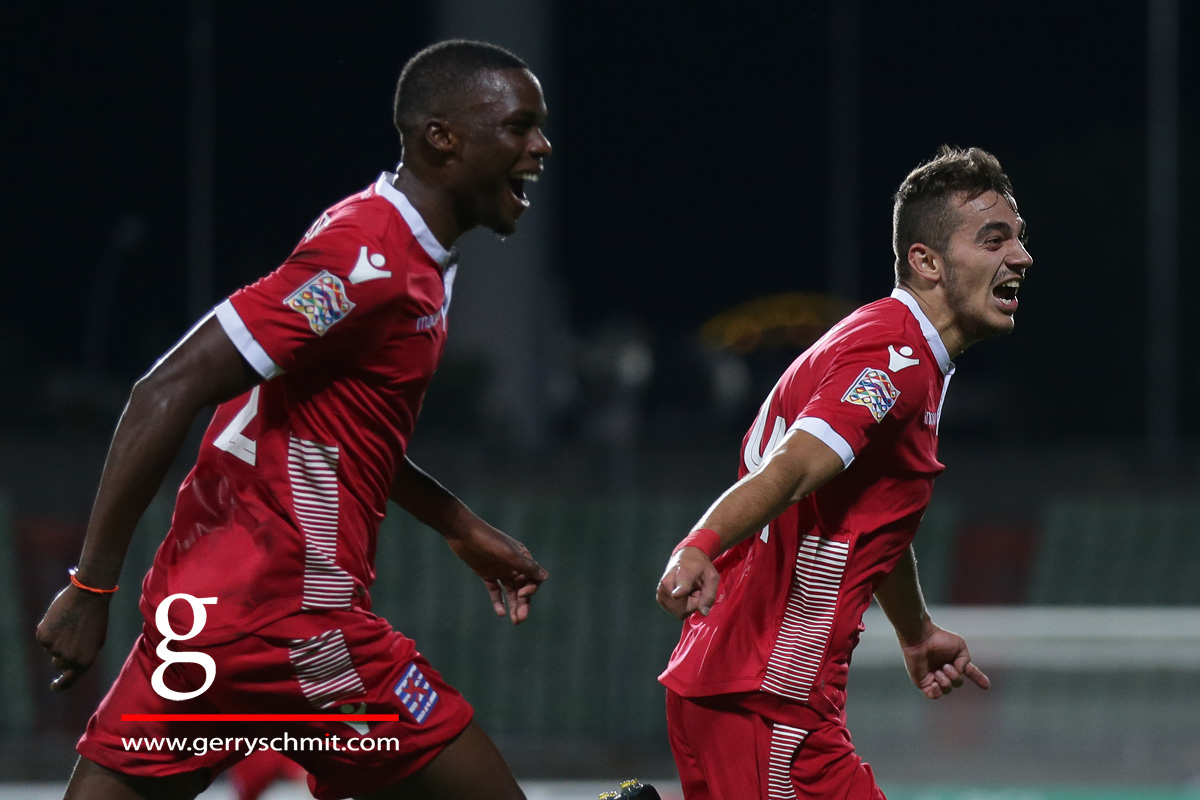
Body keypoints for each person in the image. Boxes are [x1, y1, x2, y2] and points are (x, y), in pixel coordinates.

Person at [36, 39, 552, 800]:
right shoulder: (369, 258)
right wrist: (90, 587)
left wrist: (460, 525)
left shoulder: (392, 242)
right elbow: (165, 389)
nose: (540, 145)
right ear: (443, 137)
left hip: (201, 620)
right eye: (519, 126)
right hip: (293, 621)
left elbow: (342, 431)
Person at [656, 146, 1032, 799]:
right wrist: (700, 544)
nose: (1021, 258)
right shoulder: (894, 357)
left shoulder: (897, 349)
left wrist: (915, 632)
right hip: (765, 695)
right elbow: (795, 467)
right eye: (995, 240)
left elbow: (863, 518)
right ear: (926, 261)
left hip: (756, 691)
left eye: (1020, 240)